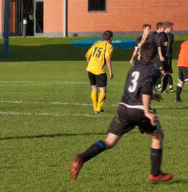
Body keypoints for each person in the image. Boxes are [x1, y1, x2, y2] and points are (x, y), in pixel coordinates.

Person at [70, 41, 173, 183]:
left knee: (110, 141)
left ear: (140, 55)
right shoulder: (154, 71)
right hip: (138, 110)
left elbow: (134, 87)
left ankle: (82, 157)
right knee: (157, 136)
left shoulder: (134, 69)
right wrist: (147, 111)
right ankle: (155, 174)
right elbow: (145, 87)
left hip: (124, 107)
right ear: (155, 56)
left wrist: (151, 96)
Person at [84, 30, 115, 113]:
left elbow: (87, 55)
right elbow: (107, 58)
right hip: (99, 70)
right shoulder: (109, 46)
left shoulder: (96, 43)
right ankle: (98, 108)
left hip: (90, 68)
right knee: (103, 90)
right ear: (111, 38)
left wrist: (91, 63)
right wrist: (110, 71)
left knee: (94, 88)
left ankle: (95, 107)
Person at [158, 22, 175, 93]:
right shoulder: (161, 35)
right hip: (162, 56)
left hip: (168, 56)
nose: (172, 29)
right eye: (171, 27)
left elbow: (168, 45)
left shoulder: (171, 35)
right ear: (166, 28)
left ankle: (164, 89)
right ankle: (156, 85)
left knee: (167, 72)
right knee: (162, 72)